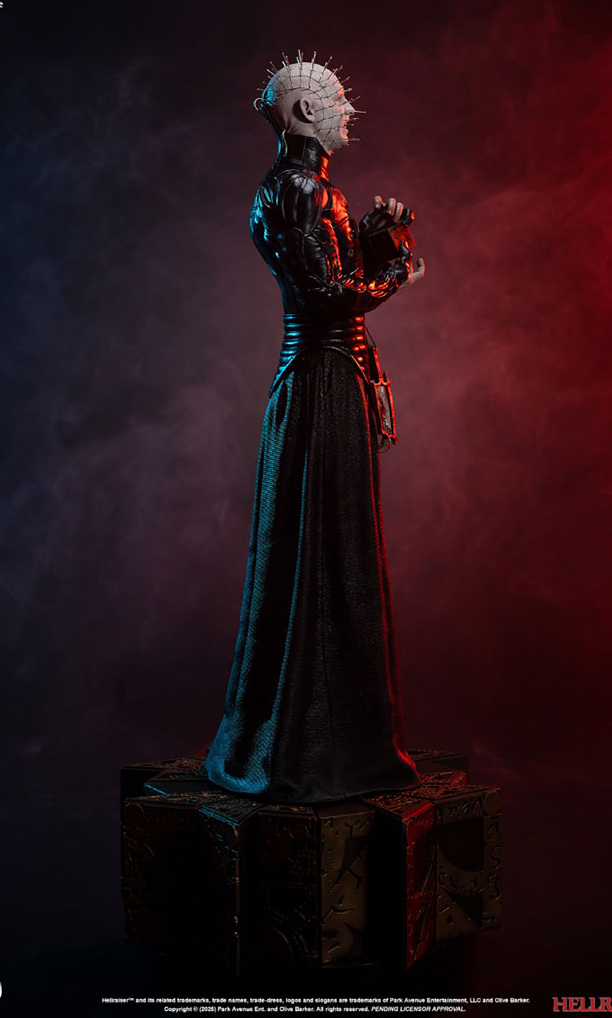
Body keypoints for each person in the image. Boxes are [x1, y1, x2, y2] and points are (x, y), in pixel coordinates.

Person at [204, 55, 426, 803]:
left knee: (326, 550)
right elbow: (329, 295)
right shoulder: (300, 190)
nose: (346, 111)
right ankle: (315, 750)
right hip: (324, 384)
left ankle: (323, 742)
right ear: (304, 113)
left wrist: (372, 237)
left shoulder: (303, 190)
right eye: (335, 99)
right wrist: (397, 273)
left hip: (327, 382)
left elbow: (328, 270)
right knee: (327, 551)